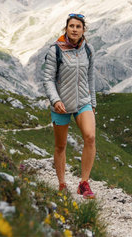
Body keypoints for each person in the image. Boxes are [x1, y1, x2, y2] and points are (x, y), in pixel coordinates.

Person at [43, 13, 97, 199]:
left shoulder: (88, 50)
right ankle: (62, 184)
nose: (74, 29)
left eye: (78, 26)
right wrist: (55, 100)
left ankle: (84, 183)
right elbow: (48, 79)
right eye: (71, 26)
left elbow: (91, 78)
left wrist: (93, 103)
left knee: (90, 137)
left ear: (83, 30)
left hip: (83, 102)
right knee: (60, 145)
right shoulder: (55, 50)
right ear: (66, 28)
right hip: (61, 105)